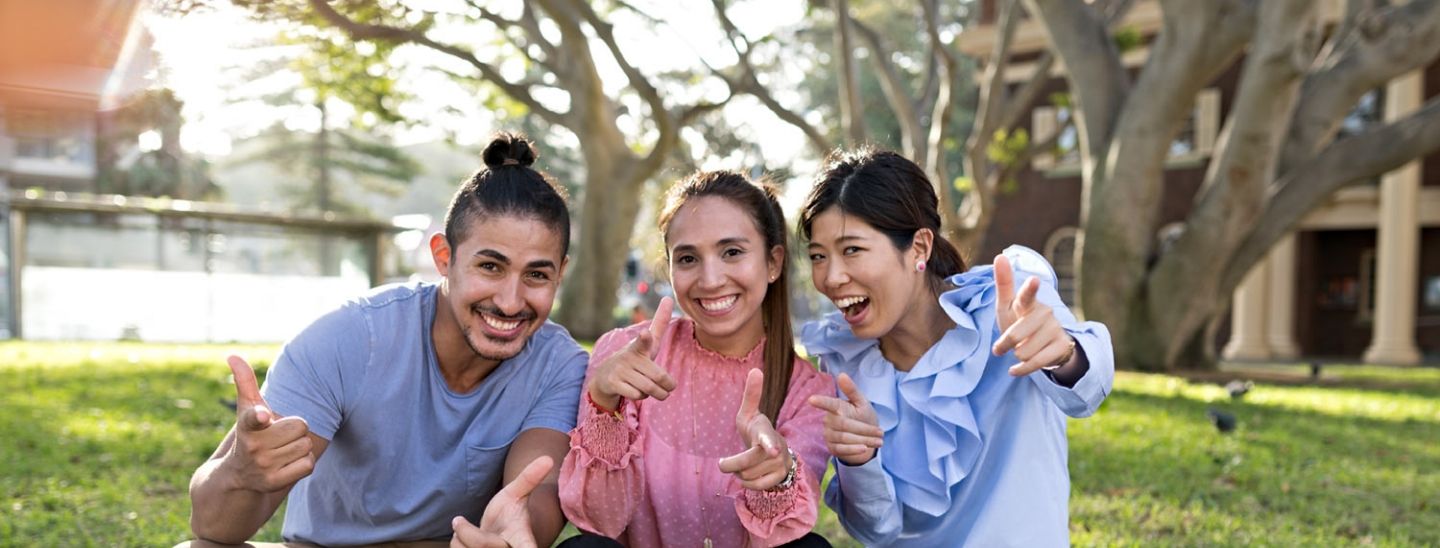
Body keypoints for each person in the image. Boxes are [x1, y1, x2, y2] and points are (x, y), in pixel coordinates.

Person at [184, 133, 587, 547]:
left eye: (536, 275)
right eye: (490, 267)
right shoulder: (350, 338)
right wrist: (240, 472)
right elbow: (213, 528)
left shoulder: (560, 365)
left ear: (561, 272)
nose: (509, 301)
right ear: (444, 258)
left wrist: (514, 534)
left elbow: (537, 489)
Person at [797, 147, 1115, 546]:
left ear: (919, 247)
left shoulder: (1007, 301)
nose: (831, 276)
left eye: (852, 250)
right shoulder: (844, 361)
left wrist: (1063, 353)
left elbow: (1088, 393)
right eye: (818, 256)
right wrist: (858, 461)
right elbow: (876, 531)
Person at [558, 171, 834, 547]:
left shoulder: (808, 392)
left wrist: (776, 475)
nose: (710, 279)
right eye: (688, 258)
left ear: (773, 262)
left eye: (732, 252)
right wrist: (605, 406)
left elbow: (783, 536)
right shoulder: (626, 356)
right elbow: (600, 521)